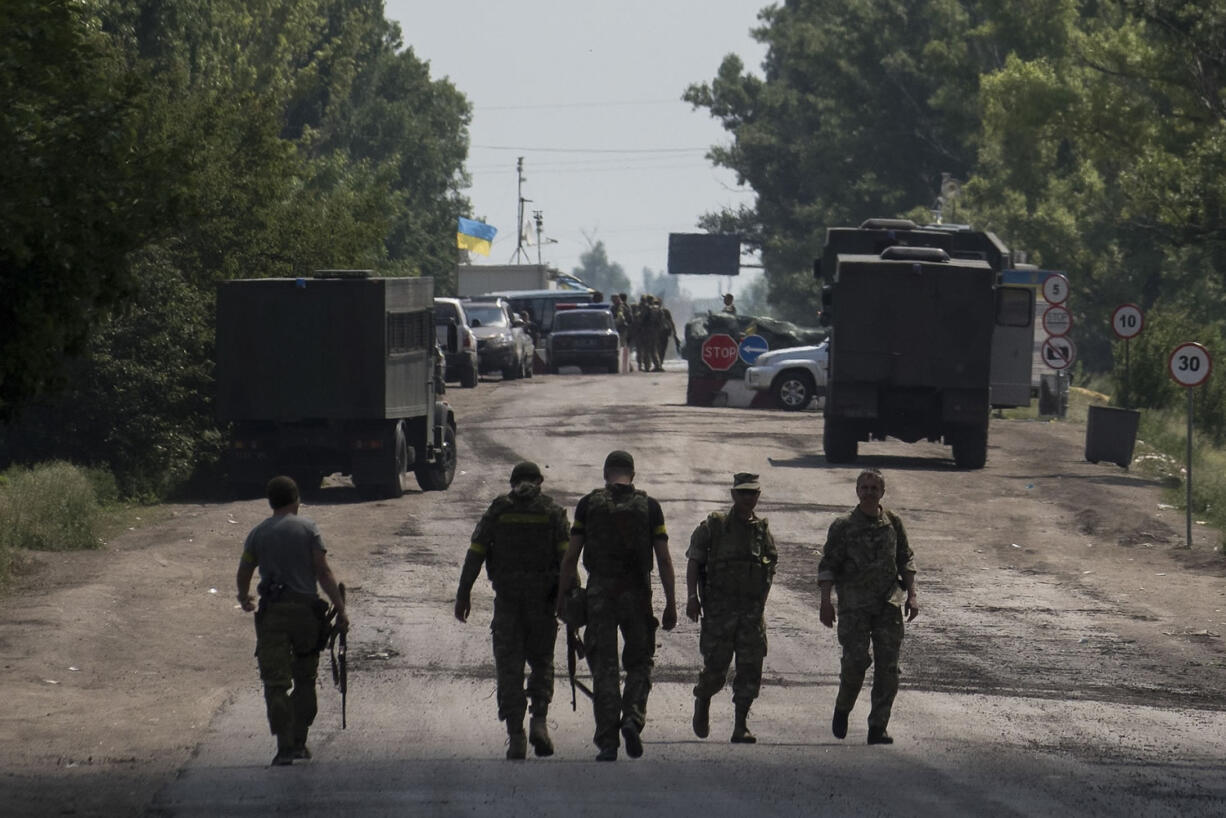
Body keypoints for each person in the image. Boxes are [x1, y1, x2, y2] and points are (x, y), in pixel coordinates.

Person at [556, 450, 678, 761]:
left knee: (605, 668)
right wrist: (671, 602)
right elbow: (663, 559)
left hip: (600, 595)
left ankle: (608, 742)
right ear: (633, 475)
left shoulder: (588, 505)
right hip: (637, 595)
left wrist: (562, 597)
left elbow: (570, 558)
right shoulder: (650, 507)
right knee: (639, 663)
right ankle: (632, 718)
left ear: (605, 473)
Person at [455, 462, 571, 759]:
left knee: (509, 668)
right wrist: (570, 598)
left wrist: (464, 592)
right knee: (542, 662)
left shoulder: (499, 510)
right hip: (543, 604)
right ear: (539, 482)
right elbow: (566, 560)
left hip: (507, 603)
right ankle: (540, 722)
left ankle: (516, 736)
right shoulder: (553, 512)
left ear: (513, 482)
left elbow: (476, 552)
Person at [236, 476, 349, 766]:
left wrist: (244, 596)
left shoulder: (258, 533)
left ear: (271, 502)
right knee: (305, 677)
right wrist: (340, 607)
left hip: (272, 614)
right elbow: (323, 572)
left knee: (275, 682)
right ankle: (300, 740)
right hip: (305, 614)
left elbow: (245, 568)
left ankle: (284, 745)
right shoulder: (308, 529)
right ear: (296, 500)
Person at [818, 469, 918, 745]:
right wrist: (826, 602)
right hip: (854, 607)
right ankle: (843, 707)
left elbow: (905, 560)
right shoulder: (843, 526)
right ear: (857, 491)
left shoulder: (893, 524)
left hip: (888, 605)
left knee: (888, 668)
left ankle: (878, 726)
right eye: (865, 487)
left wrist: (912, 596)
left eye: (875, 488)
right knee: (855, 663)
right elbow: (828, 566)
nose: (869, 492)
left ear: (882, 492)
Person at [686, 473, 777, 743]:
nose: (748, 498)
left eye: (752, 493)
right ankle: (703, 698)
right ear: (733, 495)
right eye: (743, 493)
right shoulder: (715, 526)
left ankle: (740, 725)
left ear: (758, 496)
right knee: (715, 670)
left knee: (750, 671)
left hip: (751, 615)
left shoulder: (761, 531)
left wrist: (761, 601)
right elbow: (694, 561)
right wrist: (692, 597)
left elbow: (770, 565)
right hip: (719, 614)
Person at [613, 293, 632, 373]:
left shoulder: (621, 307)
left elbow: (620, 318)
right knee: (622, 346)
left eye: (614, 299)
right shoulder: (617, 307)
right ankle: (627, 365)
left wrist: (614, 323)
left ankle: (625, 366)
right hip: (620, 329)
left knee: (622, 346)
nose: (613, 301)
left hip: (621, 329)